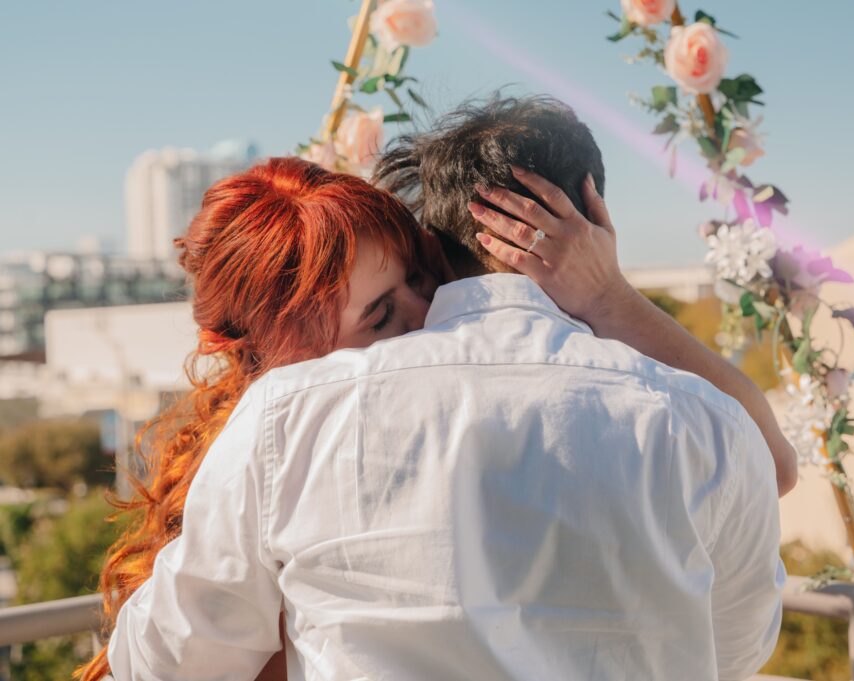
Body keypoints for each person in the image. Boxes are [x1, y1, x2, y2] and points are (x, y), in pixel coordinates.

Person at [98, 96, 791, 681]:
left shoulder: (285, 428)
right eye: (378, 314)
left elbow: (161, 662)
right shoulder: (696, 418)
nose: (421, 315)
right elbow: (730, 645)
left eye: (419, 276)